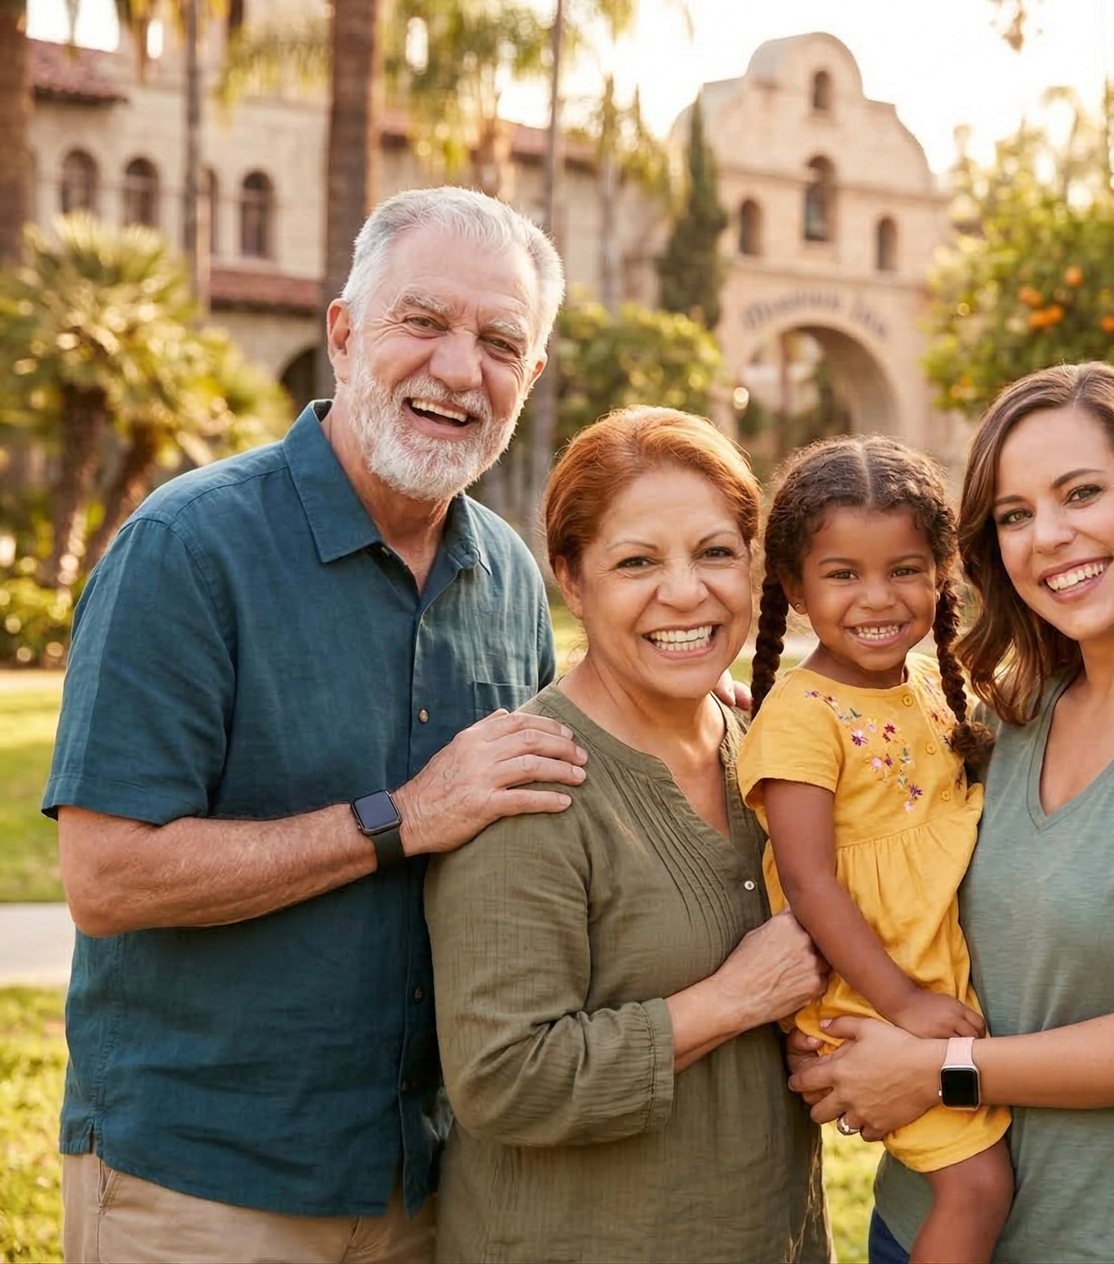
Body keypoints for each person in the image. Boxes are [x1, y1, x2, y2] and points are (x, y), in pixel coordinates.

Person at [45, 187, 589, 1264]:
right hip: (202, 1187)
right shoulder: (187, 550)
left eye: (498, 343)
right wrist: (403, 816)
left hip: (428, 1184)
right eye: (421, 322)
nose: (455, 369)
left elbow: (533, 812)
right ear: (344, 333)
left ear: (528, 381)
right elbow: (107, 877)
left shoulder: (513, 577)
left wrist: (688, 708)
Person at [790, 363, 1114, 1264]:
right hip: (918, 1228)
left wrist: (932, 1072)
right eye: (1015, 513)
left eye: (1082, 492)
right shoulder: (1001, 716)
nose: (1051, 536)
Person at [424, 407, 831, 1262]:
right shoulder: (530, 782)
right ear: (571, 579)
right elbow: (503, 1079)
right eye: (637, 561)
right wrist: (732, 1000)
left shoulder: (766, 755)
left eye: (716, 552)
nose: (685, 592)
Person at [738, 436, 1015, 1264]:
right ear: (794, 585)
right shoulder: (802, 717)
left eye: (904, 569)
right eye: (843, 574)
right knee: (979, 1186)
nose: (877, 597)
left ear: (942, 575)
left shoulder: (928, 686)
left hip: (923, 968)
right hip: (874, 990)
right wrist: (903, 1003)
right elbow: (812, 885)